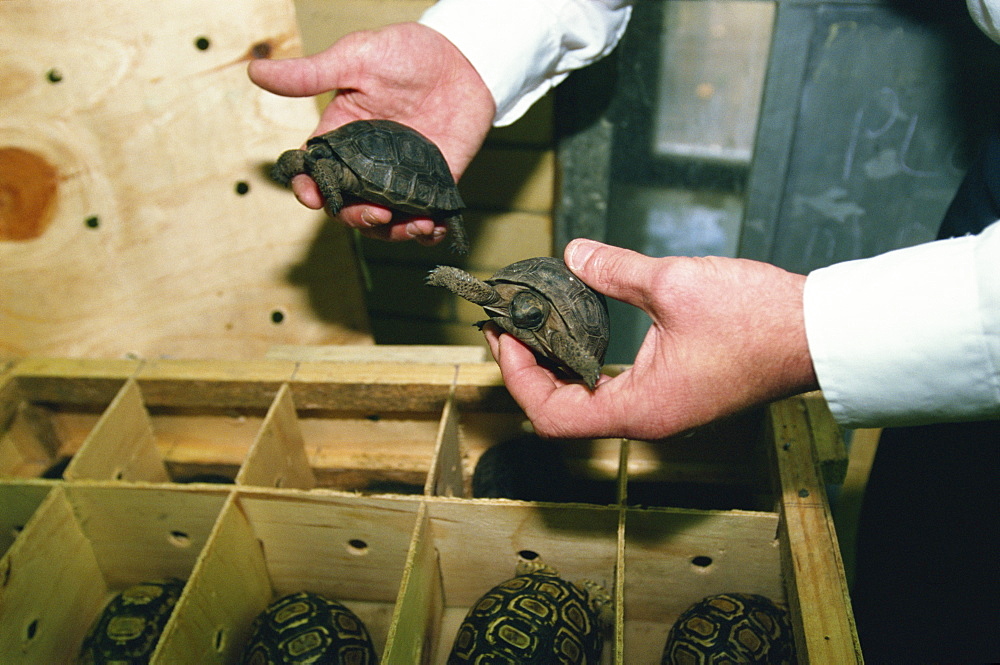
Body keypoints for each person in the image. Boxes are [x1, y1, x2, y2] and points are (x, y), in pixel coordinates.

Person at [251, 4, 1000, 658]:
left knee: (948, 584)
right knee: (919, 540)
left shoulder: (533, 313)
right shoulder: (491, 282)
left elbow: (526, 312)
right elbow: (505, 298)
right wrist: (478, 49)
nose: (515, 318)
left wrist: (806, 333)